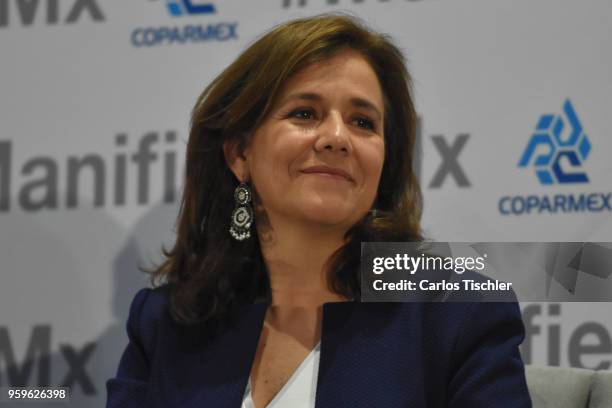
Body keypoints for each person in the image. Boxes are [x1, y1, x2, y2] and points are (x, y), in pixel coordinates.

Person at [106, 14, 532, 407]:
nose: (336, 137)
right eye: (304, 113)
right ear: (239, 153)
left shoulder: (455, 315)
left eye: (363, 122)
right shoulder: (166, 323)